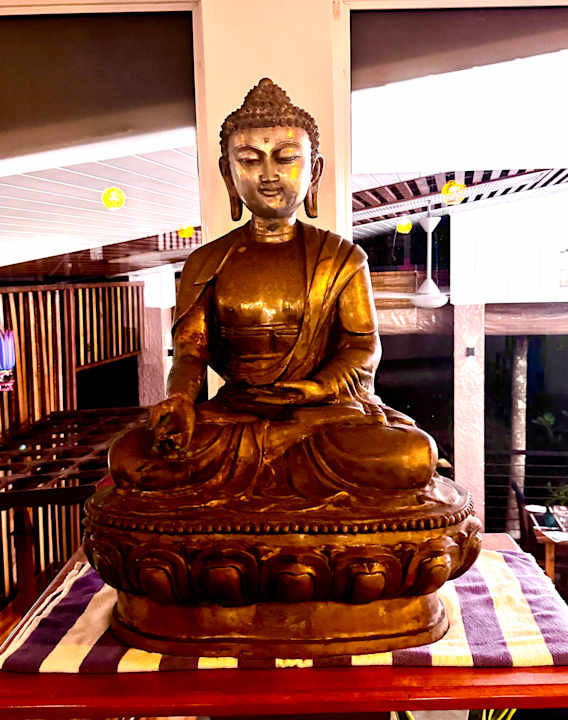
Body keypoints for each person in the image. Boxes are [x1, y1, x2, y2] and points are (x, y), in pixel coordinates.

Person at [110, 78, 452, 515]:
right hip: (236, 415)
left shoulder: (342, 258)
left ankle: (262, 479)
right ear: (228, 173)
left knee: (411, 456)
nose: (268, 174)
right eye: (249, 160)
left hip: (320, 416)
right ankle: (276, 475)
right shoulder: (207, 261)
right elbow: (191, 350)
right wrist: (179, 401)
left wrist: (316, 388)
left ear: (314, 171)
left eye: (286, 158)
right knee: (129, 456)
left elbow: (361, 347)